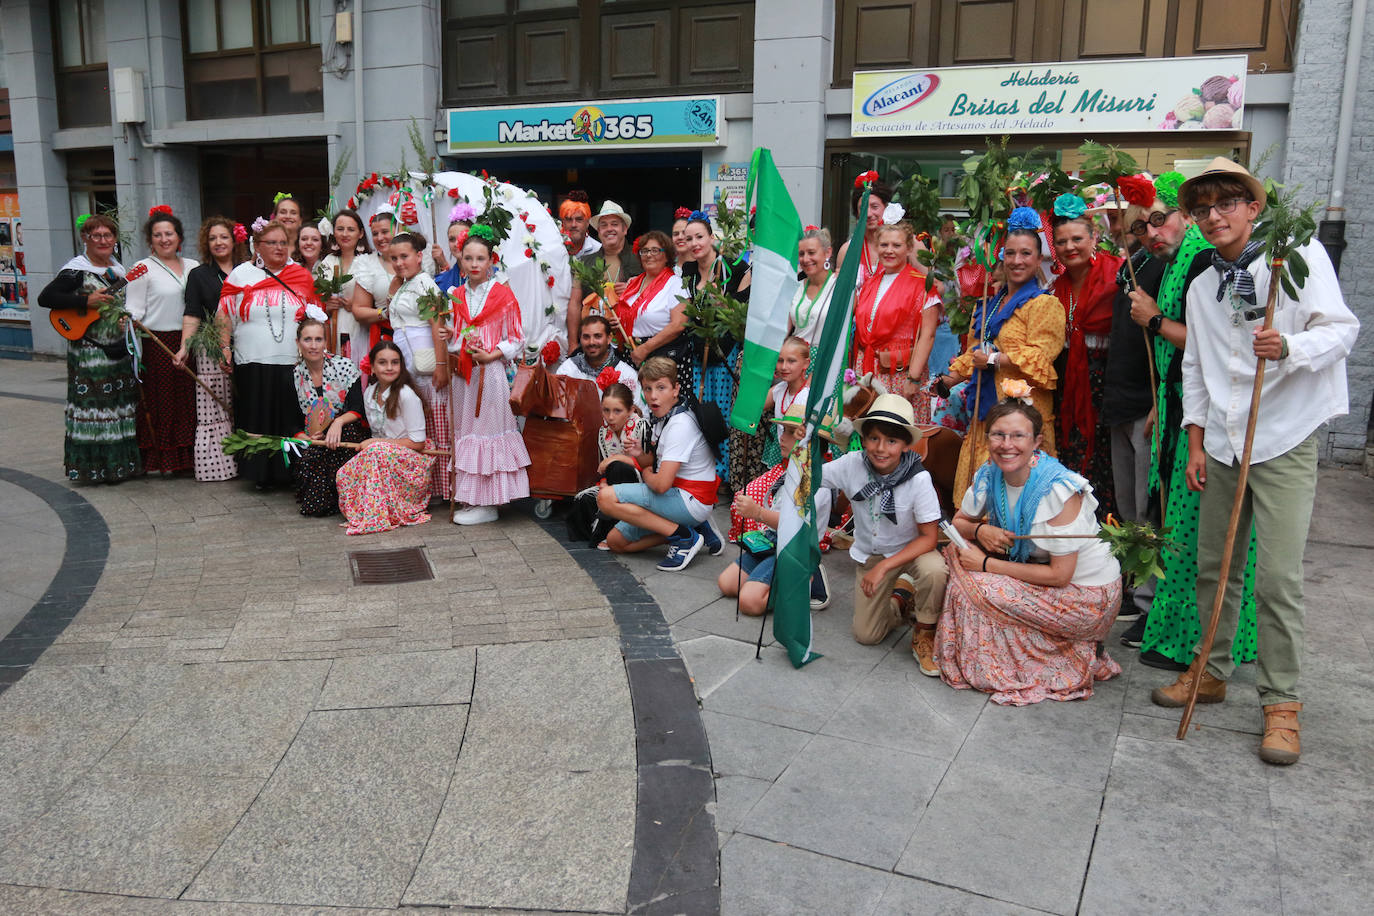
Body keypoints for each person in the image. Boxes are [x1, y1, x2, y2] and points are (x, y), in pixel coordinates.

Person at [1150, 159, 1359, 766]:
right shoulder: (1201, 285)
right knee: (1215, 567)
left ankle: (1281, 703)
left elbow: (1342, 329)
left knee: (1278, 578)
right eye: (1201, 208)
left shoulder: (1294, 259)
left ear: (1251, 206)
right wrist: (1193, 439)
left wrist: (1289, 346)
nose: (1214, 216)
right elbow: (1196, 368)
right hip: (1220, 442)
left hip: (1284, 438)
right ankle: (1210, 671)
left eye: (1226, 203)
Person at [1119, 175, 1259, 668]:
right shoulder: (1184, 261)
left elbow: (1220, 344)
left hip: (1215, 417)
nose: (1152, 232)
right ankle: (1185, 636)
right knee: (1177, 525)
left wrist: (1154, 320)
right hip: (1183, 405)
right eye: (1141, 227)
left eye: (1159, 219)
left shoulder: (1207, 261)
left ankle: (1200, 642)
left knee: (1196, 530)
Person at [939, 399, 1123, 705]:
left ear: (1037, 441)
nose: (1006, 445)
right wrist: (981, 530)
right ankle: (1042, 654)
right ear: (987, 438)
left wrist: (985, 564)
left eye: (1018, 436)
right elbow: (960, 521)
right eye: (998, 435)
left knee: (970, 585)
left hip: (1088, 597)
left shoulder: (1058, 490)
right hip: (1047, 580)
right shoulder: (990, 473)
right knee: (959, 557)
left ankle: (1060, 656)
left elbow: (1060, 575)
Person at [937, 207, 1065, 504]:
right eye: (1010, 254)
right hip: (986, 409)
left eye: (1025, 254)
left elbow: (1040, 359)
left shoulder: (1045, 305)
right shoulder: (989, 304)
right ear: (1001, 257)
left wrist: (994, 360)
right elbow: (974, 353)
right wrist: (948, 379)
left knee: (1021, 489)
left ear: (1038, 259)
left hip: (1023, 410)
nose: (1017, 261)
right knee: (979, 494)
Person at [818, 393, 947, 672]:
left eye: (892, 441)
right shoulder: (852, 464)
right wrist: (801, 444)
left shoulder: (918, 478)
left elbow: (929, 537)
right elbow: (814, 474)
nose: (881, 448)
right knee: (866, 635)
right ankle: (901, 600)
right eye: (874, 438)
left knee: (935, 570)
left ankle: (925, 632)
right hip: (872, 554)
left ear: (904, 445)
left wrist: (887, 566)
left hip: (910, 552)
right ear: (864, 439)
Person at [36, 213, 140, 484]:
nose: (103, 241)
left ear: (115, 240)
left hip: (116, 351)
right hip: (89, 352)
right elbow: (46, 297)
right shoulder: (76, 270)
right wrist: (85, 300)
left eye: (108, 235)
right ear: (85, 238)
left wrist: (124, 320)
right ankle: (94, 469)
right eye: (97, 235)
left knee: (117, 406)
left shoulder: (118, 271)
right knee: (95, 409)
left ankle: (120, 467)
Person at [597, 356, 722, 571]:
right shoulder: (663, 415)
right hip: (674, 496)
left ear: (676, 389)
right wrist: (638, 454)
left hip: (689, 498)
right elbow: (653, 462)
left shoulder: (680, 424)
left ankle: (684, 537)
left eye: (661, 388)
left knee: (606, 498)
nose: (653, 396)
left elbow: (661, 483)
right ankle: (692, 529)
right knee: (617, 542)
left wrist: (645, 472)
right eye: (647, 389)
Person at [443, 229, 531, 525]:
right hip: (464, 374)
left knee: (486, 432)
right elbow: (456, 339)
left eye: (480, 258)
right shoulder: (455, 295)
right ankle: (473, 498)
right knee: (467, 432)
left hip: (490, 373)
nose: (474, 263)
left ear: (491, 260)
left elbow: (517, 337)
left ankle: (491, 503)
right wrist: (450, 337)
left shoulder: (502, 295)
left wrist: (492, 354)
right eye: (468, 258)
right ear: (461, 260)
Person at [218, 219, 313, 488]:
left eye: (284, 242)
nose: (279, 248)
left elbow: (314, 316)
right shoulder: (240, 274)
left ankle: (292, 473)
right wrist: (225, 348)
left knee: (290, 416)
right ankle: (260, 475)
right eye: (272, 243)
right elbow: (224, 315)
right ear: (257, 246)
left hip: (292, 360)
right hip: (252, 359)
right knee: (256, 415)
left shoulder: (301, 275)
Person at [358, 231, 452, 501]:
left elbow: (437, 324)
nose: (399, 263)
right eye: (394, 258)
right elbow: (390, 309)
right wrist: (397, 280)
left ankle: (444, 488)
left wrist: (442, 364)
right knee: (421, 419)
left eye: (405, 257)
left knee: (434, 424)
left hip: (425, 361)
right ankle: (426, 487)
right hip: (408, 360)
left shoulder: (425, 284)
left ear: (419, 256)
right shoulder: (406, 283)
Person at [1052, 196, 1125, 520]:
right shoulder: (1057, 286)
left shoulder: (1118, 275)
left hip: (1108, 384)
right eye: (1062, 241)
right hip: (1069, 385)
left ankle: (1107, 534)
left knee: (1107, 462)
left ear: (1094, 237)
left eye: (1077, 239)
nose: (1070, 246)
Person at [721, 403, 832, 615]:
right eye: (785, 431)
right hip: (773, 541)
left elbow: (796, 525)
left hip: (795, 548)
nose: (782, 437)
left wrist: (758, 513)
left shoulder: (817, 482)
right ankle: (779, 579)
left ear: (811, 443)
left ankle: (810, 577)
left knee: (750, 602)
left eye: (792, 433)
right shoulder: (790, 469)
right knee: (727, 584)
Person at [124, 206, 198, 474]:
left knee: (188, 401)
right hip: (157, 342)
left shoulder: (193, 266)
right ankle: (162, 458)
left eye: (170, 233)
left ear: (179, 237)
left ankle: (188, 458)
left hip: (190, 340)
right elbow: (133, 306)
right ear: (150, 240)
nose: (164, 239)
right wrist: (128, 319)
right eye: (158, 235)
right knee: (162, 401)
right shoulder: (141, 268)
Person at [681, 211, 751, 487]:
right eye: (689, 239)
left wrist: (723, 303)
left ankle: (723, 474)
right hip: (698, 352)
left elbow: (742, 309)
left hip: (724, 351)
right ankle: (704, 470)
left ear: (711, 237)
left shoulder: (733, 267)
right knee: (701, 413)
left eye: (700, 236)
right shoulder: (687, 271)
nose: (695, 243)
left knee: (722, 412)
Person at [336, 340, 435, 535]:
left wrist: (377, 443)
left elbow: (418, 442)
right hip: (383, 457)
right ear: (372, 367)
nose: (389, 368)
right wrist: (376, 444)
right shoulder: (370, 393)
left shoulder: (406, 395)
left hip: (411, 460)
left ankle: (382, 513)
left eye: (395, 362)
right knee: (343, 473)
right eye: (383, 362)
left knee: (376, 450)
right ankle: (366, 512)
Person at [176, 216, 246, 482]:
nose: (218, 242)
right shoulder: (199, 275)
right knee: (215, 407)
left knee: (243, 404)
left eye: (224, 237)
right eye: (213, 238)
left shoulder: (248, 269)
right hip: (211, 350)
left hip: (246, 344)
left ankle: (248, 462)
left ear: (234, 240)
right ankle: (220, 467)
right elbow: (192, 315)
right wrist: (185, 348)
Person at [853, 220, 940, 423]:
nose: (889, 251)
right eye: (884, 245)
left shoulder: (922, 285)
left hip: (900, 373)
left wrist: (913, 378)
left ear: (909, 248)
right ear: (876, 247)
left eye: (896, 245)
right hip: (867, 371)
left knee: (898, 434)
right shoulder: (869, 283)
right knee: (870, 434)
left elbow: (927, 335)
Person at [292, 315, 365, 516]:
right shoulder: (294, 375)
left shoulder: (345, 367)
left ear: (326, 342)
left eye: (318, 339)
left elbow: (358, 408)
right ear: (298, 343)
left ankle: (344, 495)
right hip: (313, 436)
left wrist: (338, 423)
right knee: (314, 505)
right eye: (307, 340)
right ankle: (328, 499)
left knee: (341, 441)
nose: (313, 345)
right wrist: (307, 438)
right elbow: (291, 421)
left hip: (345, 429)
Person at [616, 230, 688, 371]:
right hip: (631, 354)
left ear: (667, 255)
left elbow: (678, 325)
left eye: (655, 250)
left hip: (661, 358)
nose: (649, 255)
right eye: (645, 251)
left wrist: (645, 349)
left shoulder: (676, 284)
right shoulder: (634, 283)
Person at [319, 209, 377, 368]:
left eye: (351, 229)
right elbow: (317, 300)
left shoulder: (370, 262)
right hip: (333, 326)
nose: (345, 234)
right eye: (340, 229)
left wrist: (360, 304)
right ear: (334, 233)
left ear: (360, 233)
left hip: (359, 326)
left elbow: (380, 298)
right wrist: (326, 307)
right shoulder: (328, 261)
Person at [836, 173, 895, 285]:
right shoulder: (848, 250)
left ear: (886, 207)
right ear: (856, 213)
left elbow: (932, 288)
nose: (868, 214)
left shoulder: (903, 245)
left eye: (874, 207)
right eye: (862, 208)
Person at [557, 314, 638, 393]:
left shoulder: (626, 374)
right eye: (586, 337)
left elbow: (637, 406)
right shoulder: (567, 369)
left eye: (597, 336)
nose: (591, 342)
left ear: (609, 338)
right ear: (580, 339)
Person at [762, 336, 809, 468]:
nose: (783, 367)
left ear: (806, 364)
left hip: (802, 465)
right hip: (784, 461)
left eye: (791, 361)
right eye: (780, 360)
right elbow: (755, 407)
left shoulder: (808, 396)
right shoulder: (779, 389)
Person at [789, 227, 836, 353]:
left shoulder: (839, 286)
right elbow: (783, 331)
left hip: (826, 361)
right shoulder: (795, 287)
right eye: (801, 254)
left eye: (811, 253)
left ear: (827, 253)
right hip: (796, 363)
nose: (805, 259)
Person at [670, 207, 694, 274]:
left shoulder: (703, 267)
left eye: (684, 233)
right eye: (676, 234)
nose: (680, 237)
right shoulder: (666, 268)